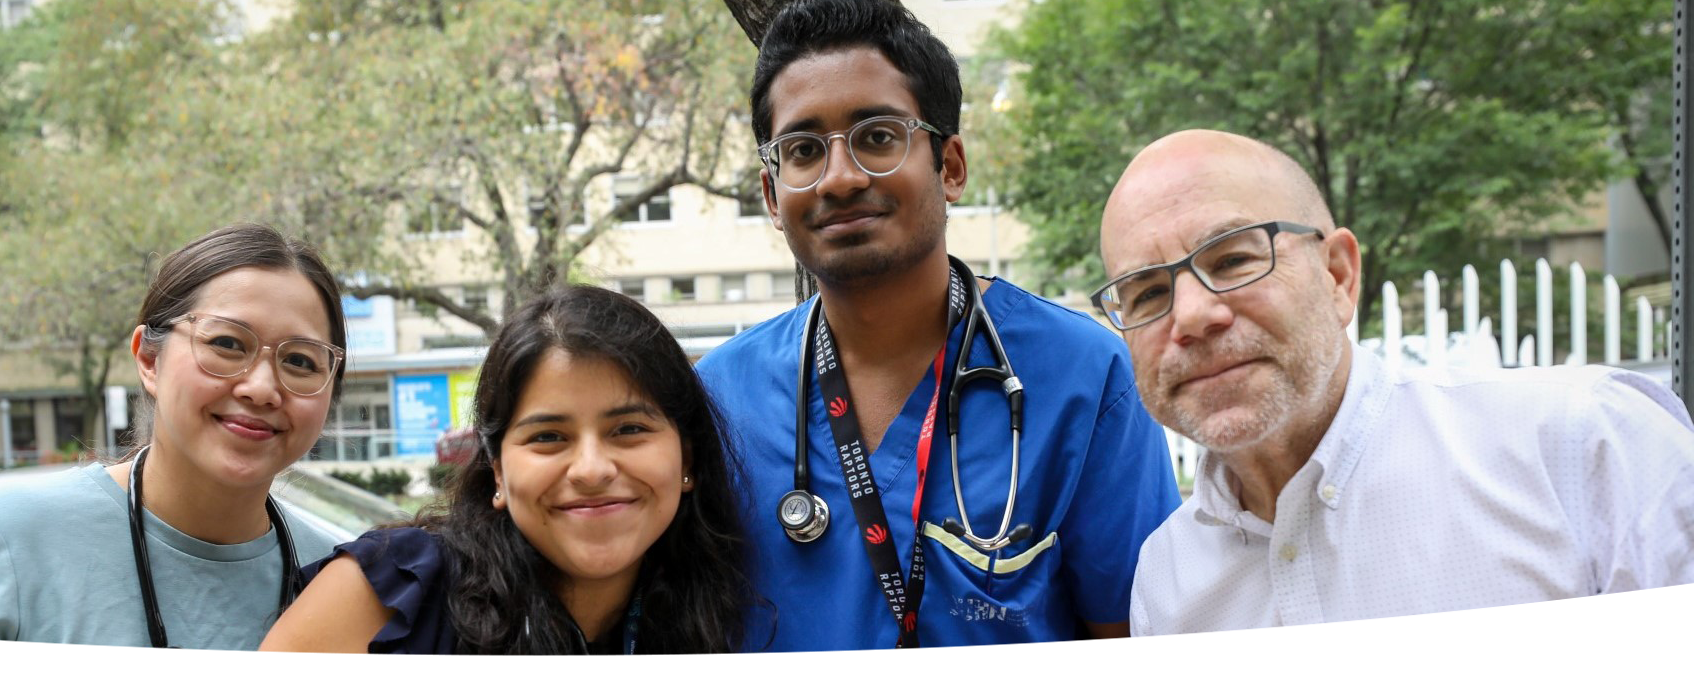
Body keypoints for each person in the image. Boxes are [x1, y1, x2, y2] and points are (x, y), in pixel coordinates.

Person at [693, 0, 1182, 653]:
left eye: (877, 136)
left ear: (949, 166)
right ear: (771, 195)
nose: (840, 178)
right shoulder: (715, 400)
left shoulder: (1084, 380)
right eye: (804, 150)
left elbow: (1137, 648)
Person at [1094, 129, 1694, 649]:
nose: (1192, 316)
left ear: (1338, 275)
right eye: (1146, 293)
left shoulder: (1588, 448)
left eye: (1232, 260)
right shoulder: (1167, 582)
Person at [0, 224, 348, 653]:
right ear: (149, 360)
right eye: (225, 344)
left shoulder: (345, 582)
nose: (261, 388)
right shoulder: (0, 541)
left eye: (301, 361)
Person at [258, 285, 753, 655]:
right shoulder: (391, 594)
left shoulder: (724, 611)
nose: (591, 469)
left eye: (628, 430)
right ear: (497, 472)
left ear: (686, 458)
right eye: (548, 437)